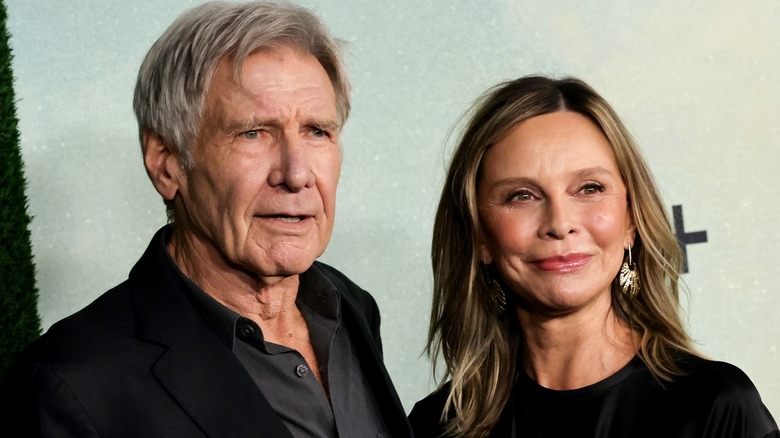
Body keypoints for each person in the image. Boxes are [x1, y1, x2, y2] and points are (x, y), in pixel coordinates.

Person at [0, 2, 412, 437]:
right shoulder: (73, 386)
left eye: (317, 131)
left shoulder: (351, 307)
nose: (296, 174)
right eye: (253, 132)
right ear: (167, 164)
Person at [409, 75, 779, 438]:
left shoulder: (715, 407)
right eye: (522, 195)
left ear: (631, 220)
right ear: (480, 237)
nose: (560, 222)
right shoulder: (436, 426)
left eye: (589, 188)